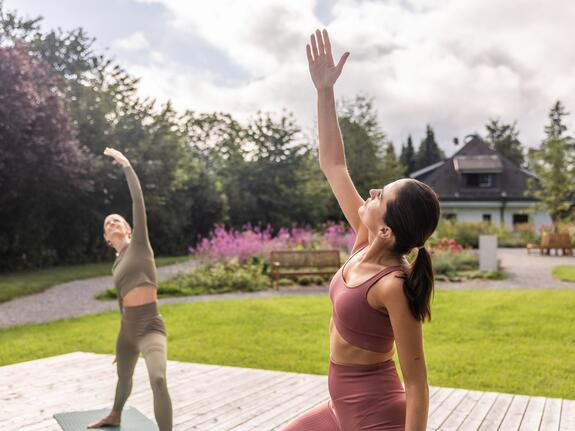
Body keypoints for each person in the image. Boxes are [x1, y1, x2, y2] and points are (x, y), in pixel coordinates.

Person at [283, 29, 440, 431]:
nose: (371, 192)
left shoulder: (393, 285)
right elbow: (334, 166)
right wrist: (324, 90)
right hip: (339, 408)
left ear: (388, 230)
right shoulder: (366, 240)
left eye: (380, 195)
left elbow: (417, 383)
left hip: (375, 417)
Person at [88, 148, 172, 430]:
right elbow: (122, 301)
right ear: (106, 238)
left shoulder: (139, 245)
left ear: (129, 230)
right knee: (123, 376)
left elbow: (137, 199)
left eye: (117, 221)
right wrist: (122, 337)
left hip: (150, 325)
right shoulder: (116, 264)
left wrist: (125, 165)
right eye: (107, 223)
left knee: (158, 379)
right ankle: (115, 414)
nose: (112, 223)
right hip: (127, 329)